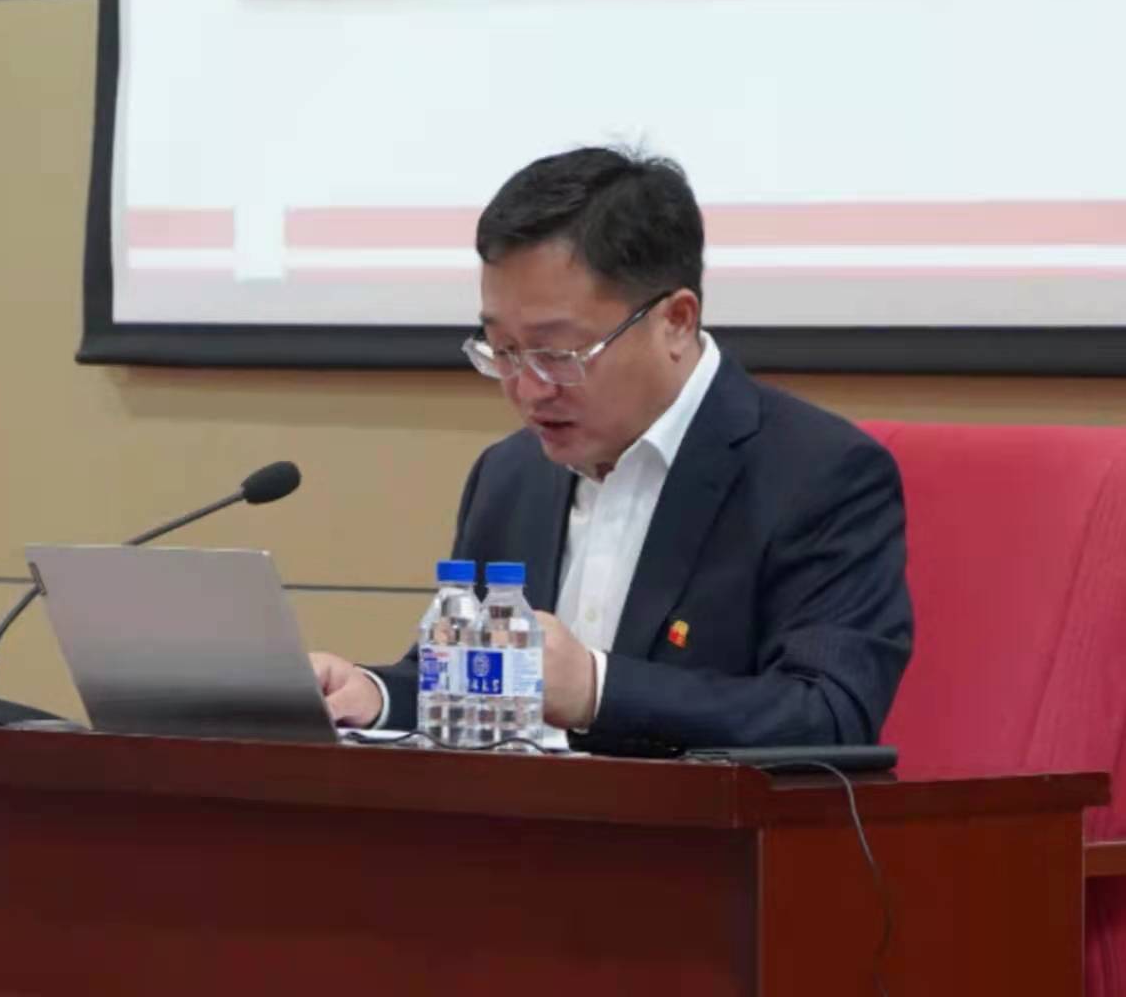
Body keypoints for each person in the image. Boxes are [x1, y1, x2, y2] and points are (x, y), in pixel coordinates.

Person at [310, 146, 912, 748]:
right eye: (504, 351)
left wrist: (598, 689)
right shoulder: (510, 474)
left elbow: (828, 712)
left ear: (675, 322)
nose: (528, 389)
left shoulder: (818, 474)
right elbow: (467, 685)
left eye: (558, 353)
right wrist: (375, 695)